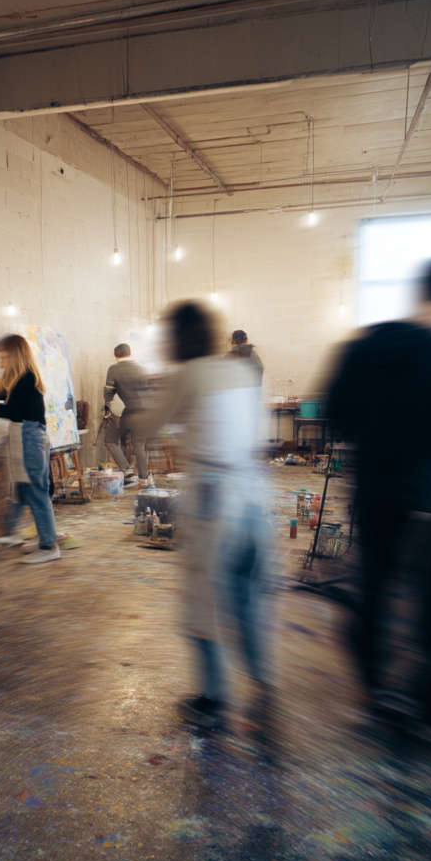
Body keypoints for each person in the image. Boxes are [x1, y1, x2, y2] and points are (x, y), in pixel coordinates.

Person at [325, 259, 431, 706]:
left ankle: (372, 682)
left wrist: (372, 438)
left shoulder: (364, 347)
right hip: (425, 495)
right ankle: (423, 684)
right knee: (427, 586)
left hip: (373, 487)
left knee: (374, 579)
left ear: (418, 291)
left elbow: (335, 412)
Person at [132, 301, 273, 730]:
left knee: (203, 602)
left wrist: (154, 394)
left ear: (177, 338)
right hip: (252, 491)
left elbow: (145, 427)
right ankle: (265, 679)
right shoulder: (238, 369)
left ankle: (214, 698)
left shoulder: (187, 373)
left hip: (215, 497)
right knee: (248, 595)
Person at [0, 335, 62, 564]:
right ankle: (45, 538)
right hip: (26, 436)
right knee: (27, 490)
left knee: (35, 491)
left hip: (29, 436)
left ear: (15, 357)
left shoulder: (25, 379)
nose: (0, 363)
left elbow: (7, 412)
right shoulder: (19, 378)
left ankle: (49, 546)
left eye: (4, 358)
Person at [103, 343, 150, 489]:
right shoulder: (141, 367)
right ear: (129, 353)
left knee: (110, 440)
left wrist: (108, 408)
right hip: (143, 412)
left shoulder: (113, 369)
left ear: (115, 355)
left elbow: (109, 392)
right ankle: (144, 478)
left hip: (125, 412)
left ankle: (128, 472)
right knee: (138, 443)